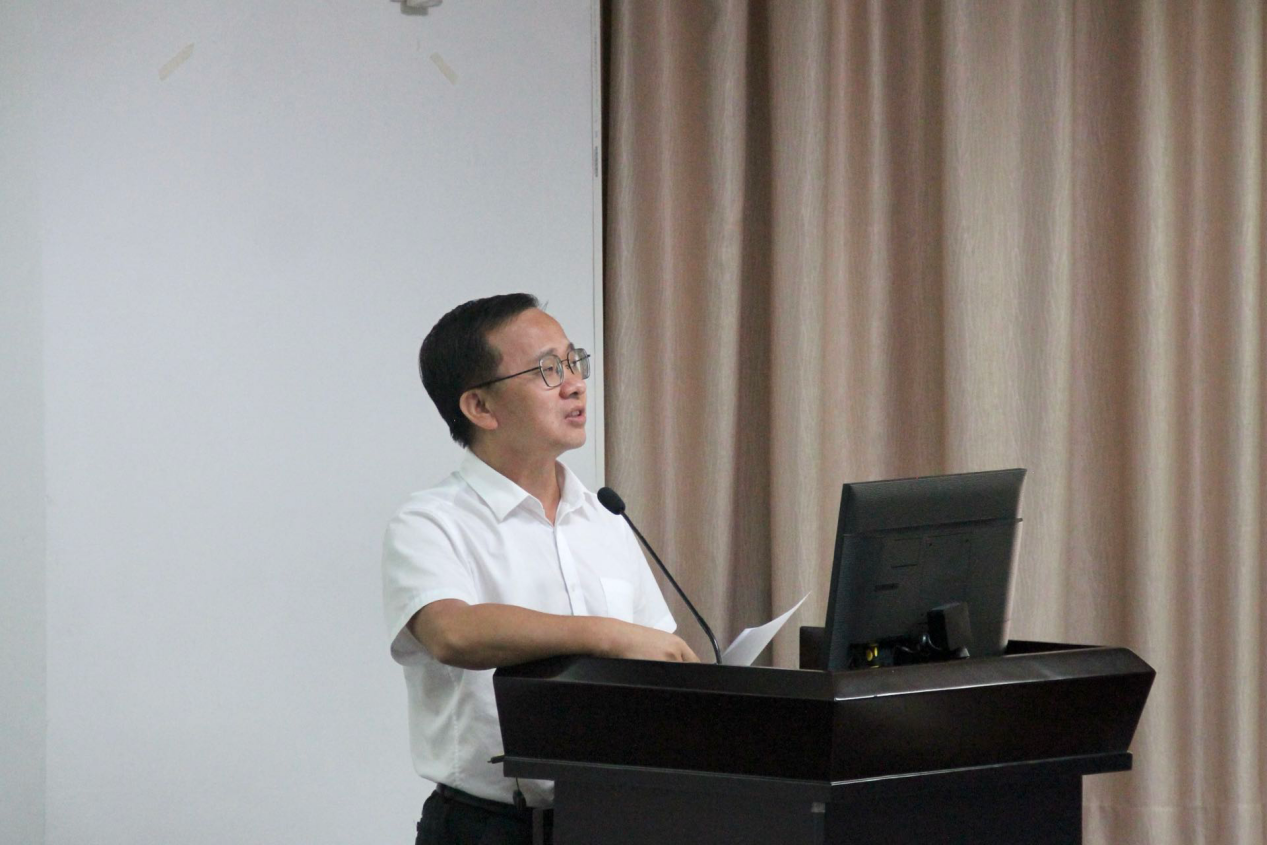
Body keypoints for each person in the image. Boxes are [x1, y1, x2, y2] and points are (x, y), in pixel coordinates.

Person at [382, 293, 700, 845]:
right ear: (480, 407)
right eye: (548, 370)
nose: (575, 384)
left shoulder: (604, 518)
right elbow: (452, 632)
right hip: (490, 827)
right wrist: (606, 635)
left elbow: (652, 653)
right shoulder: (431, 521)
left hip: (614, 818)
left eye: (574, 361)